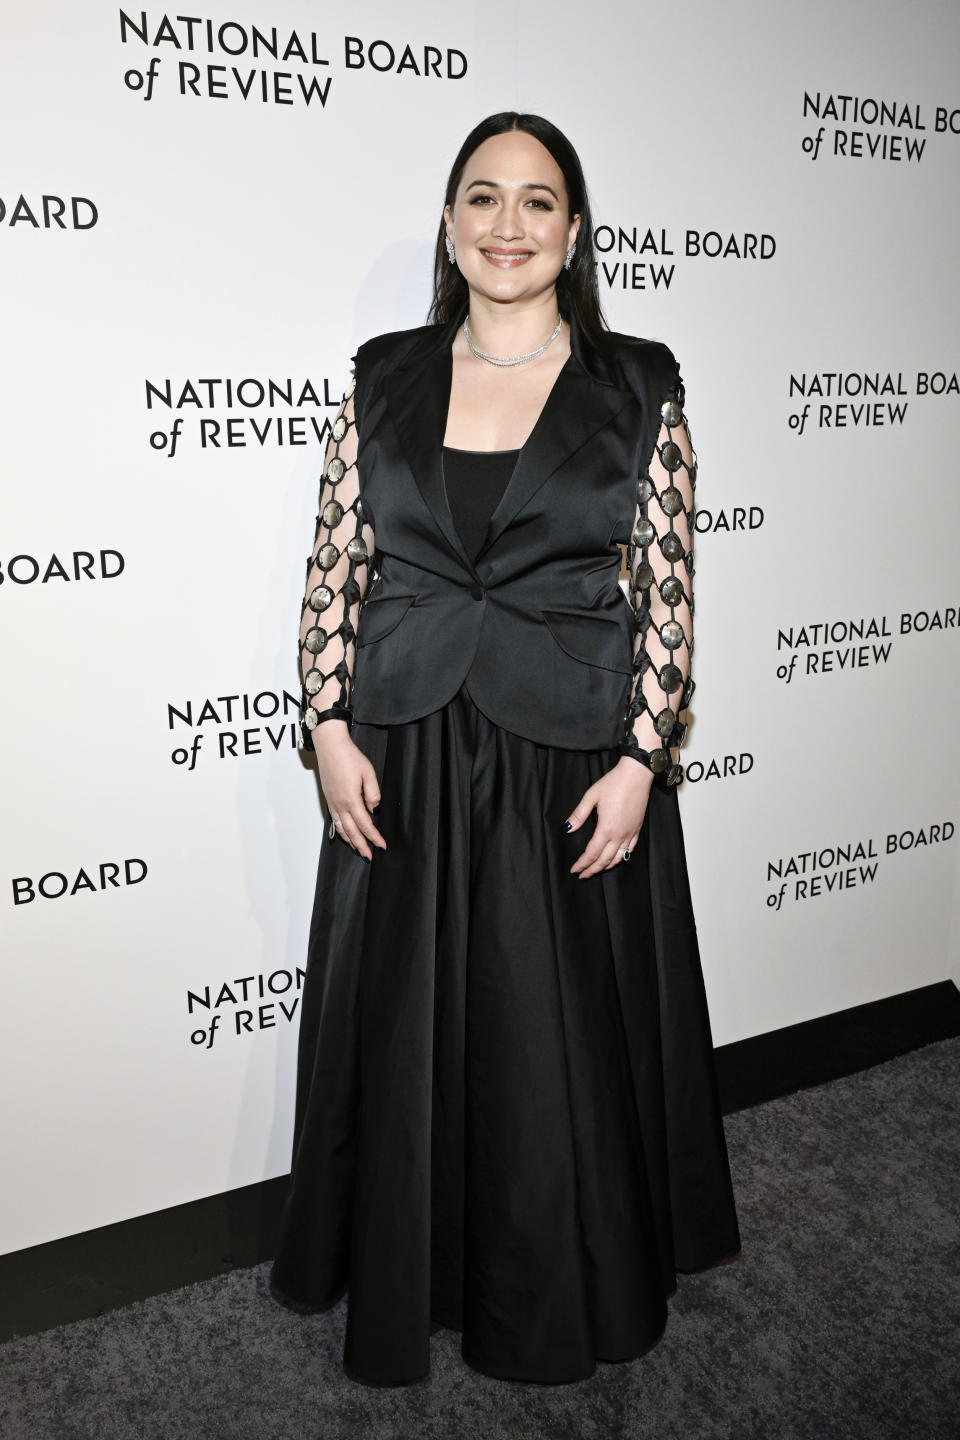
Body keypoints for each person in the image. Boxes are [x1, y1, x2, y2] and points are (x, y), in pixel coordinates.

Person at [269, 111, 740, 1387]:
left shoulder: (636, 381)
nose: (509, 225)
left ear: (574, 232)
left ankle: (557, 1284)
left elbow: (667, 588)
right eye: (483, 197)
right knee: (410, 1029)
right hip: (405, 747)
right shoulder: (383, 375)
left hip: (570, 758)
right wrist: (326, 726)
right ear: (449, 224)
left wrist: (644, 758)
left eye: (538, 202)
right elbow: (335, 572)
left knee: (550, 1043)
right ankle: (410, 1266)